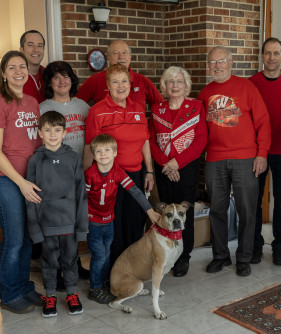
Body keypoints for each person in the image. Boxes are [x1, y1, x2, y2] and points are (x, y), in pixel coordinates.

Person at [197, 46, 271, 277]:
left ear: (231, 63)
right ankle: (220, 256)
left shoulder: (246, 87)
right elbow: (199, 128)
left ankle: (244, 257)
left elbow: (263, 122)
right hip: (215, 159)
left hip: (246, 158)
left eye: (221, 61)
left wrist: (262, 154)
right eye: (212, 62)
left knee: (247, 210)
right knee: (217, 209)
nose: (217, 66)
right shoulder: (205, 92)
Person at [0, 50, 42, 314]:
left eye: (22, 66)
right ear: (4, 74)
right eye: (12, 67)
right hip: (7, 181)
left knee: (29, 239)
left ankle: (23, 287)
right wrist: (21, 182)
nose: (18, 71)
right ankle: (9, 295)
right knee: (14, 240)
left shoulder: (32, 101)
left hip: (29, 181)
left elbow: (36, 141)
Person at [84, 64, 155, 265]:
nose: (120, 85)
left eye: (124, 81)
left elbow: (145, 141)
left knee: (134, 224)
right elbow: (90, 146)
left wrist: (149, 170)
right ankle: (113, 271)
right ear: (108, 85)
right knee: (113, 227)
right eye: (115, 81)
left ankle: (132, 269)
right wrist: (85, 178)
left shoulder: (138, 109)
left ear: (130, 84)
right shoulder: (97, 111)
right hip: (110, 178)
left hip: (135, 175)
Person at [25, 111, 88, 317]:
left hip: (69, 224)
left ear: (65, 133)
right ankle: (50, 296)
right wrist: (34, 229)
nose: (53, 134)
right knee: (49, 262)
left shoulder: (72, 158)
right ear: (40, 133)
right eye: (48, 130)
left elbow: (81, 194)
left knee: (70, 261)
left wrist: (81, 228)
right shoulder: (35, 160)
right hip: (46, 224)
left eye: (57, 130)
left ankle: (71, 293)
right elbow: (30, 197)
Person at [86, 134, 160, 304]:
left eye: (107, 150)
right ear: (93, 154)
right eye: (98, 151)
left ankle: (105, 283)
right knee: (99, 255)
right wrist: (83, 223)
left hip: (109, 221)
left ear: (115, 153)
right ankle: (94, 287)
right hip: (94, 221)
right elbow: (82, 198)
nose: (103, 154)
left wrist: (149, 211)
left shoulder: (118, 171)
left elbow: (134, 191)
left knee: (107, 252)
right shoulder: (90, 174)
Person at [149, 66, 207, 277]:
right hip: (164, 168)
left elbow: (200, 140)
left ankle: (183, 257)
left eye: (179, 82)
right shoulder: (157, 109)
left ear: (186, 86)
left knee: (183, 214)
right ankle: (167, 253)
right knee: (166, 214)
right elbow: (151, 139)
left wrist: (177, 163)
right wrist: (166, 164)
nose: (175, 85)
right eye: (170, 82)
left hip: (187, 168)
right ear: (164, 86)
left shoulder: (196, 106)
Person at [249, 37, 281, 266]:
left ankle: (279, 245)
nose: (272, 57)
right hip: (257, 152)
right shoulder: (251, 83)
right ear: (262, 56)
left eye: (276, 53)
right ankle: (255, 244)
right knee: (255, 200)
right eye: (268, 53)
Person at [76, 40, 163, 107]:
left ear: (130, 57)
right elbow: (75, 105)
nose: (121, 57)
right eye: (115, 53)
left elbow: (161, 106)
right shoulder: (95, 80)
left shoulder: (142, 81)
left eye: (124, 53)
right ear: (109, 57)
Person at [40, 61, 89, 157]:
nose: (62, 82)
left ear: (71, 80)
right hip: (57, 167)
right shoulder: (41, 109)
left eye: (66, 77)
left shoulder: (83, 106)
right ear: (49, 82)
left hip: (84, 166)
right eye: (56, 78)